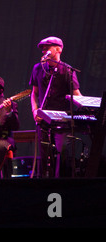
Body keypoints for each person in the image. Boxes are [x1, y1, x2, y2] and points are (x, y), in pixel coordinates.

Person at [29, 36, 81, 177]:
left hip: (62, 120)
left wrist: (87, 109)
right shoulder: (38, 68)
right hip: (43, 119)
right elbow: (34, 94)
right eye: (43, 49)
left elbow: (77, 96)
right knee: (45, 155)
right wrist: (35, 110)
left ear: (58, 49)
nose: (44, 51)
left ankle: (60, 183)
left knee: (61, 152)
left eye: (47, 48)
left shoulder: (67, 71)